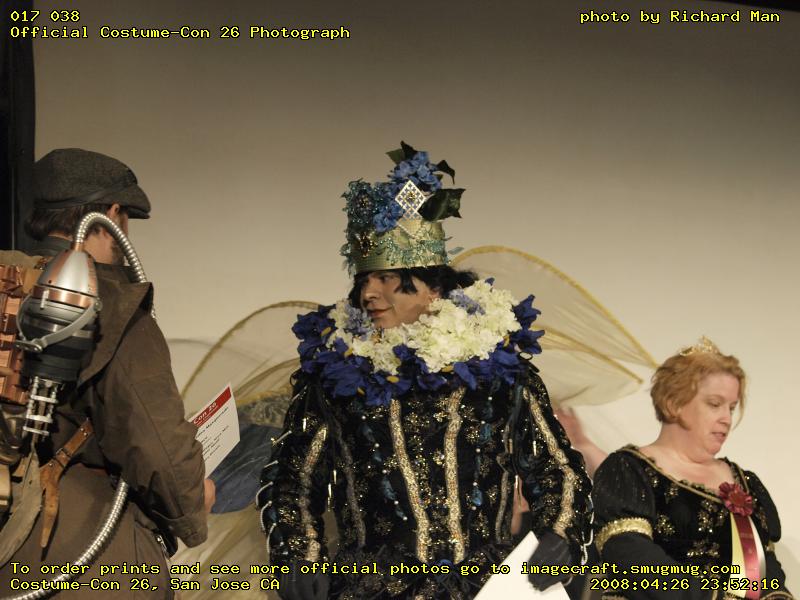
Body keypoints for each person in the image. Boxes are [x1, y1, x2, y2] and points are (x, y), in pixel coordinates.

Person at [257, 143, 592, 599]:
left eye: (385, 278)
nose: (369, 294)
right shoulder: (336, 375)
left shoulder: (499, 370)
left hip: (487, 588)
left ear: (432, 288)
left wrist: (559, 533)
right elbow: (295, 478)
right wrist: (300, 554)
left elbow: (556, 467)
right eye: (363, 280)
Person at [0, 148, 213, 598]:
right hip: (78, 559)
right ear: (112, 215)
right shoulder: (112, 301)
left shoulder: (9, 286)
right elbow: (157, 445)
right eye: (126, 217)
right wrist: (194, 503)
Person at [592, 337, 793, 599]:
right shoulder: (629, 470)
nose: (726, 418)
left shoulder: (746, 482)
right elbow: (633, 559)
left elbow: (766, 573)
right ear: (674, 403)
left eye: (732, 408)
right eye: (714, 404)